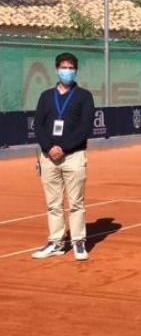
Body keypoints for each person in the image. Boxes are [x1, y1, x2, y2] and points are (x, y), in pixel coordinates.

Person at [32, 52, 95, 261]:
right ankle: (56, 242)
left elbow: (85, 127)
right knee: (53, 203)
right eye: (63, 67)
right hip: (48, 157)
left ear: (75, 70)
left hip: (74, 156)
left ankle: (78, 242)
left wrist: (63, 148)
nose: (66, 71)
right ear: (56, 69)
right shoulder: (45, 96)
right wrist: (49, 148)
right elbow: (38, 125)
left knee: (76, 202)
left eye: (70, 68)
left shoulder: (84, 96)